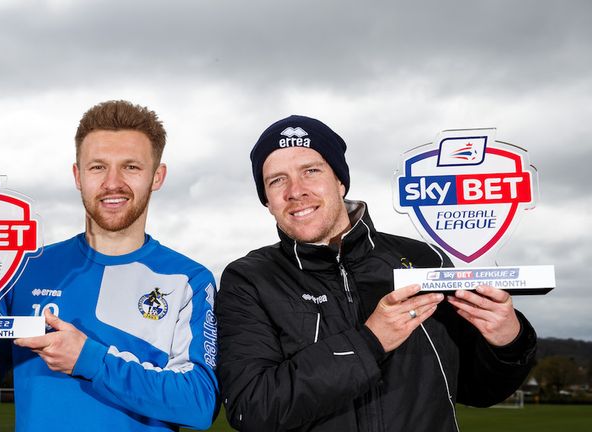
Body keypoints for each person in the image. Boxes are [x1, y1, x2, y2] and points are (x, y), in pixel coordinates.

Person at [0, 100, 219, 431]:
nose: (112, 182)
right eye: (97, 167)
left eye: (131, 166)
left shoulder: (188, 279)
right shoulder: (23, 268)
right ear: (77, 175)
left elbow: (200, 404)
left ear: (157, 176)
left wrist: (90, 359)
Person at [215, 115, 536, 432]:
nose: (295, 191)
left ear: (340, 181)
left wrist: (508, 340)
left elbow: (478, 390)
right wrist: (370, 343)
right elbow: (251, 408)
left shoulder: (424, 258)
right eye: (277, 180)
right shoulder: (249, 279)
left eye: (311, 171)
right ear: (267, 201)